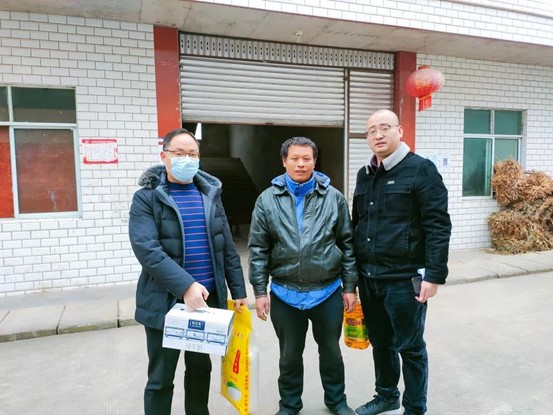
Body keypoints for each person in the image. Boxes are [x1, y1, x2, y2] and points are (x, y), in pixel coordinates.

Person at [128, 128, 248, 415]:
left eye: (193, 154)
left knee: (199, 370)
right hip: (164, 301)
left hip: (206, 301)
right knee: (161, 377)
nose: (187, 159)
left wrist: (238, 290)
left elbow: (226, 246)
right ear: (164, 157)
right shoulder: (146, 198)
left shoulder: (210, 194)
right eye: (179, 153)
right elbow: (147, 249)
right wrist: (186, 285)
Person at [352, 109, 452, 415]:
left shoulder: (421, 169)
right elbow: (358, 224)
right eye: (372, 130)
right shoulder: (364, 174)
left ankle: (414, 408)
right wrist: (353, 276)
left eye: (385, 127)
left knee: (410, 347)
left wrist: (433, 275)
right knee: (381, 342)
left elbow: (438, 225)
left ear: (400, 131)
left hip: (405, 279)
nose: (378, 134)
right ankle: (386, 396)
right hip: (370, 278)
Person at [248, 137, 358, 415]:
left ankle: (337, 401)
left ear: (314, 162)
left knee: (331, 352)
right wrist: (260, 291)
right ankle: (289, 405)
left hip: (327, 290)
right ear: (284, 161)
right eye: (294, 158)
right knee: (289, 356)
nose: (300, 164)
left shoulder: (333, 198)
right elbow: (258, 249)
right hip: (285, 292)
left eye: (306, 158)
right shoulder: (267, 200)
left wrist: (349, 287)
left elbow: (347, 243)